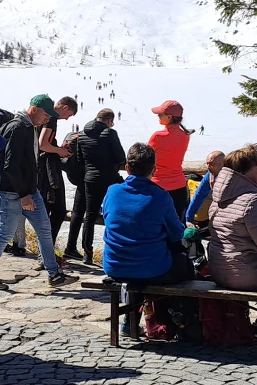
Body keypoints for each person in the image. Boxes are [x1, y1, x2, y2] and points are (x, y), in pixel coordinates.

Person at [0, 96, 76, 289]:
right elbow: (10, 166)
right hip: (13, 193)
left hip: (29, 191)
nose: (47, 119)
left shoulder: (28, 127)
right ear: (34, 109)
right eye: (46, 114)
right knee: (4, 234)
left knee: (44, 230)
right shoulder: (18, 128)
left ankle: (54, 275)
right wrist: (24, 195)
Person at [101, 141, 193, 284]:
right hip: (152, 270)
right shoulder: (160, 196)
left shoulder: (112, 191)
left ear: (127, 168)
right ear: (154, 170)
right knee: (186, 265)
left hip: (115, 267)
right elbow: (176, 234)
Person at [206, 146, 257, 291]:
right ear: (246, 171)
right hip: (249, 277)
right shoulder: (254, 201)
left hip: (219, 273)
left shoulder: (217, 200)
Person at [67, 108, 124, 263]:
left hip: (90, 179)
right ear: (109, 120)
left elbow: (80, 160)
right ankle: (118, 251)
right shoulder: (110, 133)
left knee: (90, 217)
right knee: (118, 213)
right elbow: (121, 157)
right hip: (110, 179)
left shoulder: (82, 135)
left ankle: (87, 254)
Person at [37, 95, 79, 252]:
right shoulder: (51, 118)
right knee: (58, 210)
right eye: (69, 115)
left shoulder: (42, 116)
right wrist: (59, 151)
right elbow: (43, 144)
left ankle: (45, 251)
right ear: (65, 107)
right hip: (47, 170)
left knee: (46, 209)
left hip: (39, 168)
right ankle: (47, 251)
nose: (67, 119)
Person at [148, 100, 192, 216]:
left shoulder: (158, 136)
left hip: (158, 186)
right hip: (180, 186)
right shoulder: (185, 136)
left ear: (169, 117)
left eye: (160, 114)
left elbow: (145, 157)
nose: (158, 116)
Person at [185, 150, 226, 225]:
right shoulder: (210, 176)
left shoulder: (234, 175)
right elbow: (199, 195)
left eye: (212, 164)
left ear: (223, 164)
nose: (208, 167)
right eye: (207, 164)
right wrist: (189, 218)